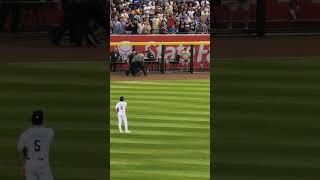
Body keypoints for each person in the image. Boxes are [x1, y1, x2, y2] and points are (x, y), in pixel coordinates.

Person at [17, 110, 54, 180]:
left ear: (32, 121)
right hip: (43, 165)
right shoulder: (50, 132)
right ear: (42, 120)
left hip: (30, 164)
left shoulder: (25, 133)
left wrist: (23, 166)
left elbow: (19, 150)